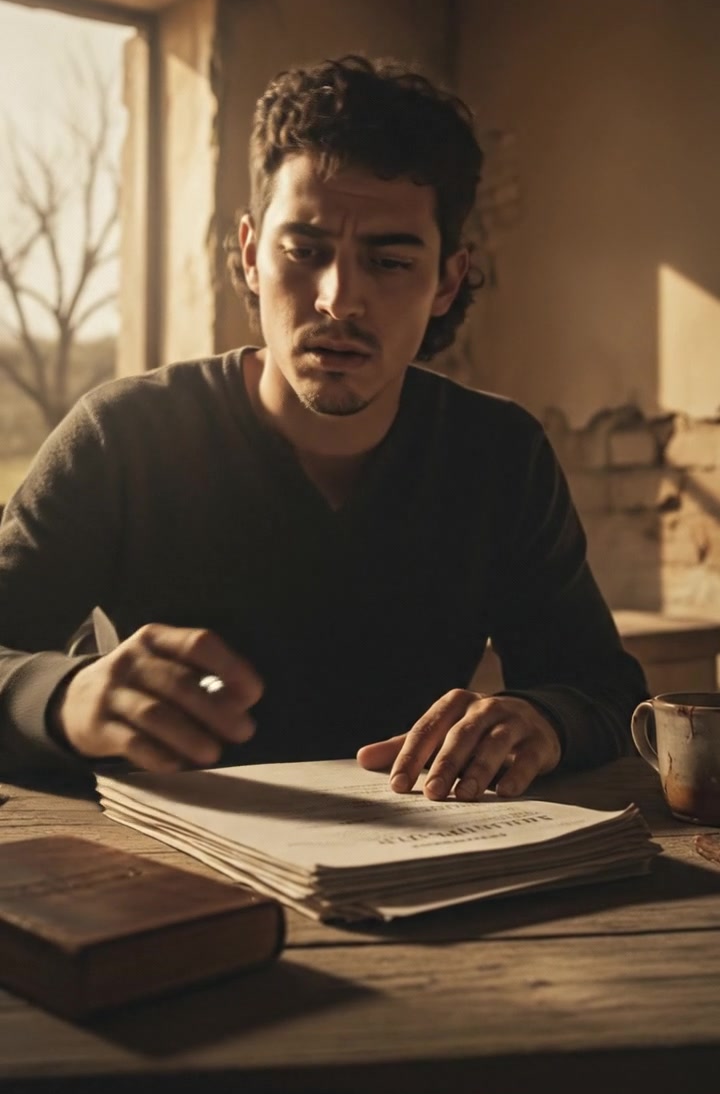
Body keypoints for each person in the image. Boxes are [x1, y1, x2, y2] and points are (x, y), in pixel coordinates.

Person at [0, 54, 647, 800]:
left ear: (447, 281)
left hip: (430, 876)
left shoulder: (500, 456)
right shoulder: (124, 436)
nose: (339, 300)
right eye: (304, 253)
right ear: (249, 254)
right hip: (159, 877)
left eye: (390, 261)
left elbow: (603, 689)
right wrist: (64, 698)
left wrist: (543, 719)